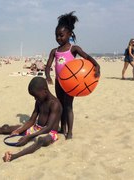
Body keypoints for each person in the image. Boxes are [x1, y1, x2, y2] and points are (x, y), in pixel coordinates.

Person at [0, 77, 62, 162]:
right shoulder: (39, 101)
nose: (35, 98)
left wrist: (29, 137)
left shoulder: (55, 104)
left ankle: (14, 156)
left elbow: (49, 127)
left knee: (41, 140)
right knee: (6, 128)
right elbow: (31, 121)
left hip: (50, 132)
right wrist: (19, 130)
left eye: (36, 96)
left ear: (45, 91)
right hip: (36, 128)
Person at [45, 11, 100, 139]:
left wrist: (96, 65)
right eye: (56, 36)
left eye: (61, 35)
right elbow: (48, 66)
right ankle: (61, 128)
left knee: (68, 106)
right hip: (59, 82)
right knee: (60, 105)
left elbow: (86, 57)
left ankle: (69, 132)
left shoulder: (74, 49)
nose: (59, 38)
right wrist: (48, 77)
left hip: (71, 83)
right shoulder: (54, 51)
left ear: (69, 34)